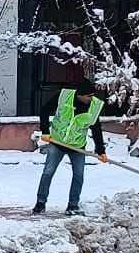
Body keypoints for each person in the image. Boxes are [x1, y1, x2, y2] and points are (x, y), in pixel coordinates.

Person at [34, 87, 108, 216]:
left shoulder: (94, 106)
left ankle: (73, 205)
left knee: (78, 176)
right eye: (88, 96)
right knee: (48, 172)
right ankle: (40, 203)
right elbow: (45, 110)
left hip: (77, 146)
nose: (90, 99)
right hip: (57, 143)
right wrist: (45, 131)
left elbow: (96, 129)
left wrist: (101, 150)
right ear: (80, 95)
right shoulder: (64, 96)